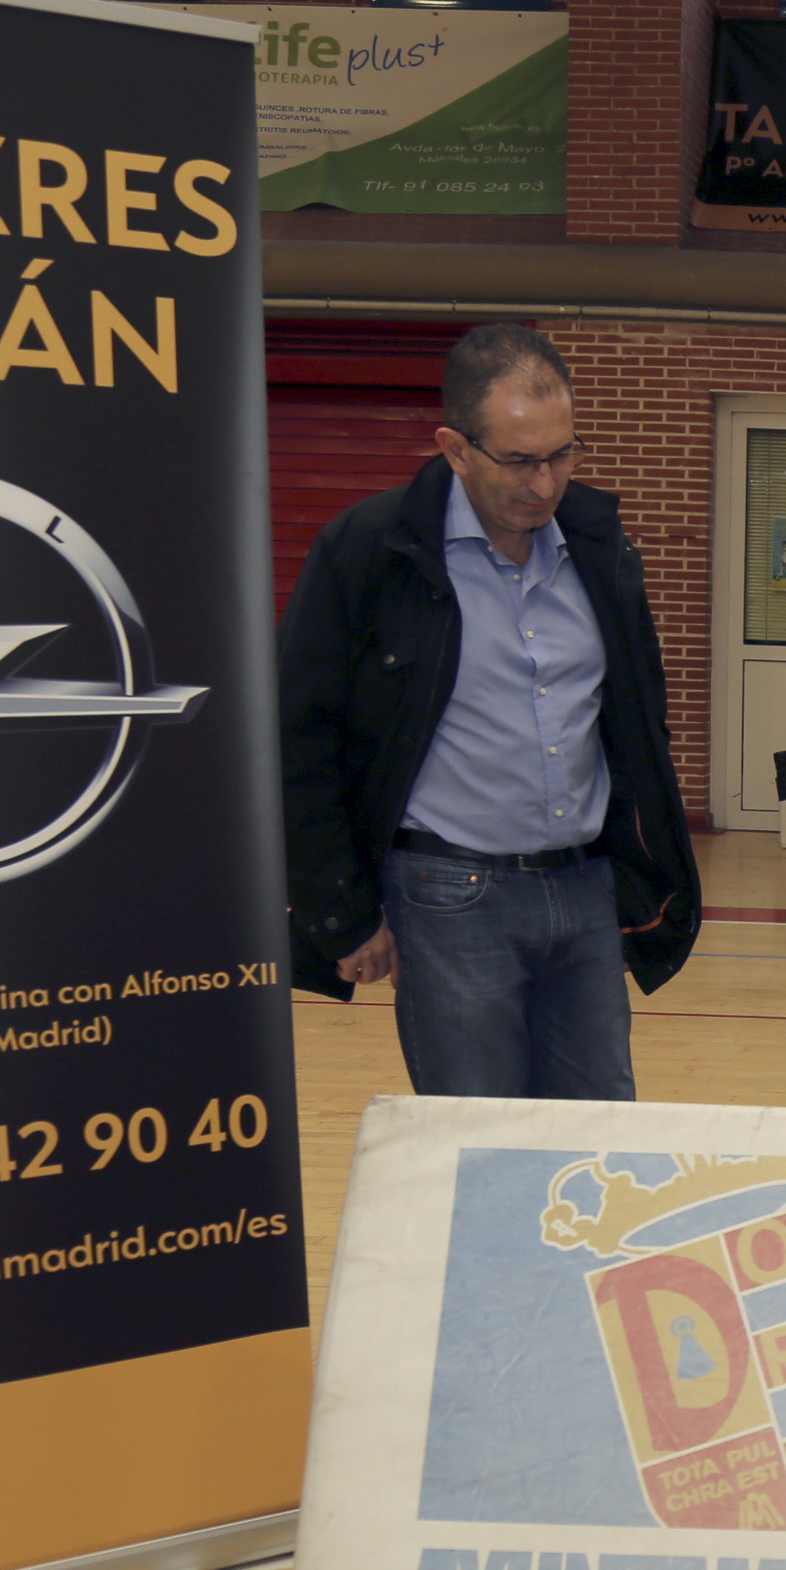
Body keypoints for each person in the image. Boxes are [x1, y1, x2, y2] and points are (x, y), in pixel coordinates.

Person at [280, 324, 700, 1097]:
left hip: (585, 893)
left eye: (562, 455)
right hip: (446, 898)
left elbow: (641, 727)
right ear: (455, 448)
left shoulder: (601, 549)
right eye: (519, 460)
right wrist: (340, 911)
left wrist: (643, 878)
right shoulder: (369, 551)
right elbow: (300, 742)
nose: (545, 484)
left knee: (598, 1132)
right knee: (477, 1136)